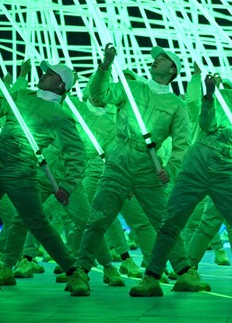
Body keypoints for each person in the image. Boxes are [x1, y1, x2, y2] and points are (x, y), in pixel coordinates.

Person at [129, 60, 232, 298]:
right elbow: (206, 125)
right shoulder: (225, 96)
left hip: (227, 169)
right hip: (198, 160)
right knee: (171, 220)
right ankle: (151, 277)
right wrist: (209, 97)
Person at [70, 45, 199, 296]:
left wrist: (171, 168)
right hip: (119, 159)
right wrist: (105, 66)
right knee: (98, 218)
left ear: (172, 70)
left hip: (148, 165)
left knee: (163, 221)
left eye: (162, 58)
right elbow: (99, 93)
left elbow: (182, 144)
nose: (156, 60)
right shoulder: (131, 88)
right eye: (156, 57)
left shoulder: (177, 105)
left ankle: (182, 272)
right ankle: (81, 272)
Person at [0, 60, 87, 292]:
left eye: (51, 73)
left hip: (21, 173)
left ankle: (74, 272)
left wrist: (68, 185)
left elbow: (76, 154)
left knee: (38, 224)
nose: (44, 74)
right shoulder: (22, 95)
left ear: (61, 85)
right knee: (33, 223)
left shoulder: (60, 116)